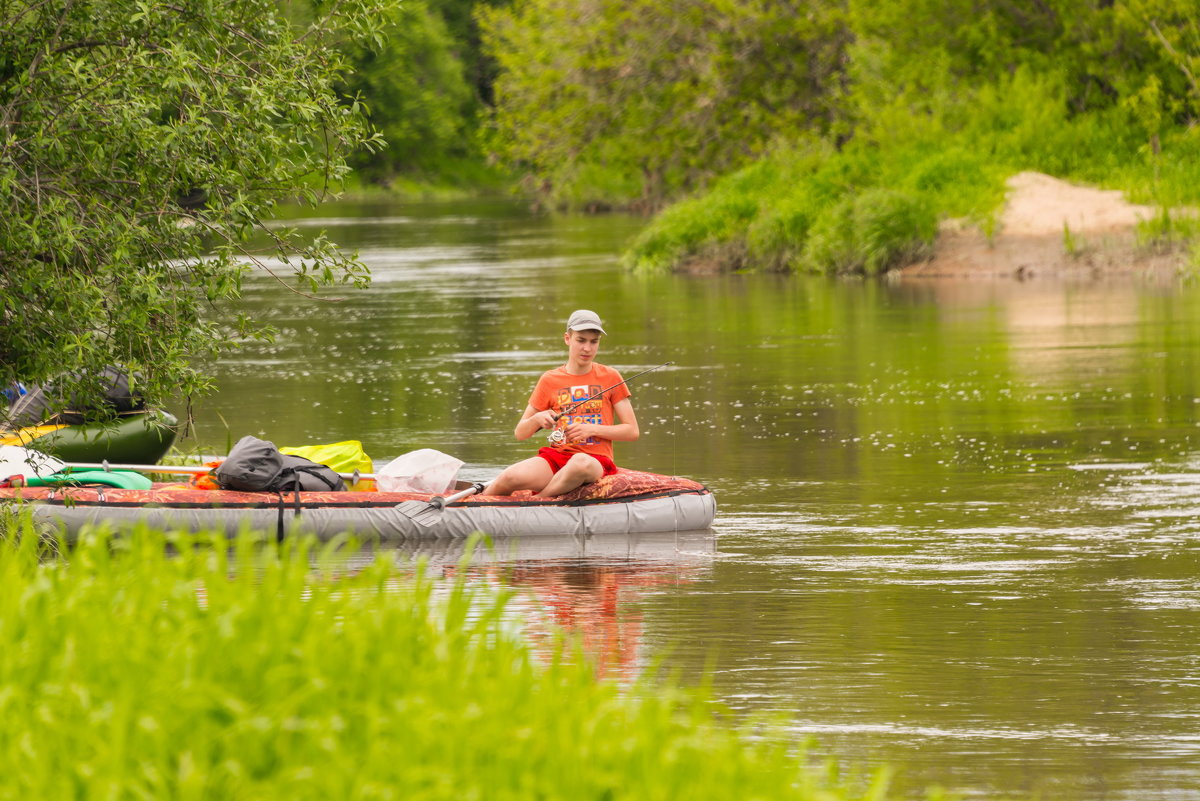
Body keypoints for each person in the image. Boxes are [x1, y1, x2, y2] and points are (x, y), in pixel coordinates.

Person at [482, 310, 639, 497]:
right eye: (581, 340)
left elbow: (632, 431)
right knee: (510, 477)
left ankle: (538, 501)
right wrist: (538, 419)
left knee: (580, 462)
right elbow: (520, 433)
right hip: (557, 457)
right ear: (567, 339)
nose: (587, 348)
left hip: (595, 461)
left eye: (593, 341)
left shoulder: (610, 376)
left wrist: (592, 429)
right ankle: (471, 509)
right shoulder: (549, 379)